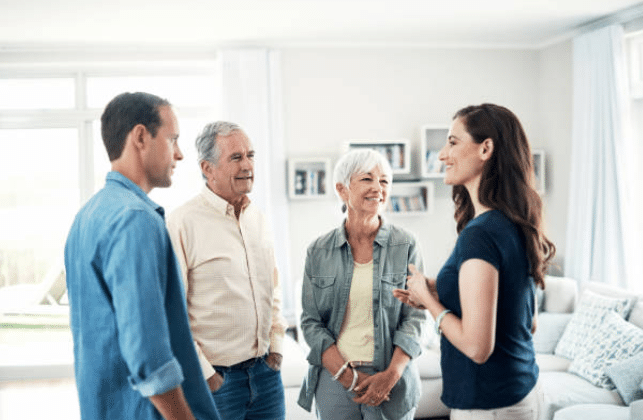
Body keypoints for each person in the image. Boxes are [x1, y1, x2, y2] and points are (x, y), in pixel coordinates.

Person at [64, 92, 220, 419]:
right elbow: (149, 356)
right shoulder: (136, 220)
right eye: (172, 139)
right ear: (140, 137)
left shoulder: (87, 216)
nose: (178, 154)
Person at [394, 103, 556, 420]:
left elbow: (477, 348)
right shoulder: (513, 225)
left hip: (490, 407)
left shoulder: (479, 235)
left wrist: (429, 301)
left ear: (486, 148)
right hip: (520, 393)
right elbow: (526, 322)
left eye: (453, 141)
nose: (441, 155)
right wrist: (442, 290)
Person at [167, 121, 288, 420]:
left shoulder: (258, 218)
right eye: (236, 157)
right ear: (207, 168)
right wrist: (207, 374)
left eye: (250, 155)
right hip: (217, 383)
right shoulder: (181, 223)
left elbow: (272, 288)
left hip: (266, 375)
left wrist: (277, 348)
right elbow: (171, 311)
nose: (247, 164)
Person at [297, 149, 427, 420]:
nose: (378, 188)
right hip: (335, 379)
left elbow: (416, 316)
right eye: (367, 179)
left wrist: (390, 376)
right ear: (342, 190)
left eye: (384, 181)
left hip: (391, 378)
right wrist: (347, 377)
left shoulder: (406, 244)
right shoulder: (318, 250)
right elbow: (311, 322)